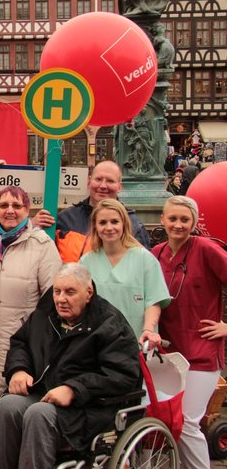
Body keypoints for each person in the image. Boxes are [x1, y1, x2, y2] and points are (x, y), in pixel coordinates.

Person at [0, 264, 141, 469]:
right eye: (57, 291)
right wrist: (18, 370)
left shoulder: (110, 324)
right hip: (43, 393)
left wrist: (74, 389)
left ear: (88, 293)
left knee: (38, 413)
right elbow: (20, 343)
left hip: (88, 409)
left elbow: (123, 375)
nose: (60, 299)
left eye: (70, 292)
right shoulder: (45, 313)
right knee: (8, 406)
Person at [0, 186, 61, 424]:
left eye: (17, 206)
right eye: (4, 205)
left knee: (15, 413)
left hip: (23, 348)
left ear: (27, 210)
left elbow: (52, 299)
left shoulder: (42, 245)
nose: (10, 211)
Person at [153, 196, 227, 469]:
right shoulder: (156, 254)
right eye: (172, 218)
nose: (178, 225)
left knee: (186, 423)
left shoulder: (207, 250)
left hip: (201, 354)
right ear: (163, 220)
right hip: (167, 355)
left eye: (185, 220)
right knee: (169, 423)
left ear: (194, 223)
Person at [79, 199, 170, 344]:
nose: (109, 227)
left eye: (114, 222)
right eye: (102, 223)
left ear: (124, 224)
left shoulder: (145, 259)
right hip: (97, 344)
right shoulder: (85, 262)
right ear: (95, 226)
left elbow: (153, 300)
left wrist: (148, 330)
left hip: (136, 343)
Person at [38, 161, 151, 262]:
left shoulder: (134, 226)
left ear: (119, 187)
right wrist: (35, 226)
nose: (103, 186)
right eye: (98, 179)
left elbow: (143, 268)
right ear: (89, 182)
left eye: (110, 181)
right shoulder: (65, 219)